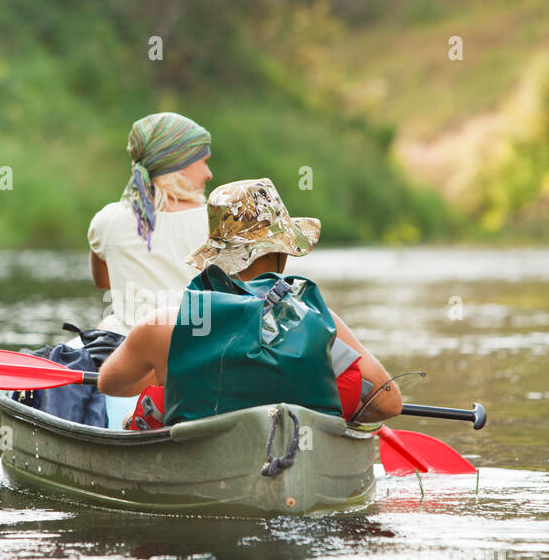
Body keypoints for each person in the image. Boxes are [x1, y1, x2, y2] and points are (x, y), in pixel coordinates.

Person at [96, 179, 403, 428]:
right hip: (300, 453)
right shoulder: (319, 320)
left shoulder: (166, 325)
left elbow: (109, 384)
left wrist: (172, 368)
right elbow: (388, 402)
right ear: (283, 253)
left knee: (129, 420)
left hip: (201, 463)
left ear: (216, 256)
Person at [87, 112, 213, 334]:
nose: (209, 174)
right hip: (196, 345)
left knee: (106, 324)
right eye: (204, 162)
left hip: (131, 353)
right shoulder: (215, 221)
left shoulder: (107, 220)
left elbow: (104, 283)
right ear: (180, 164)